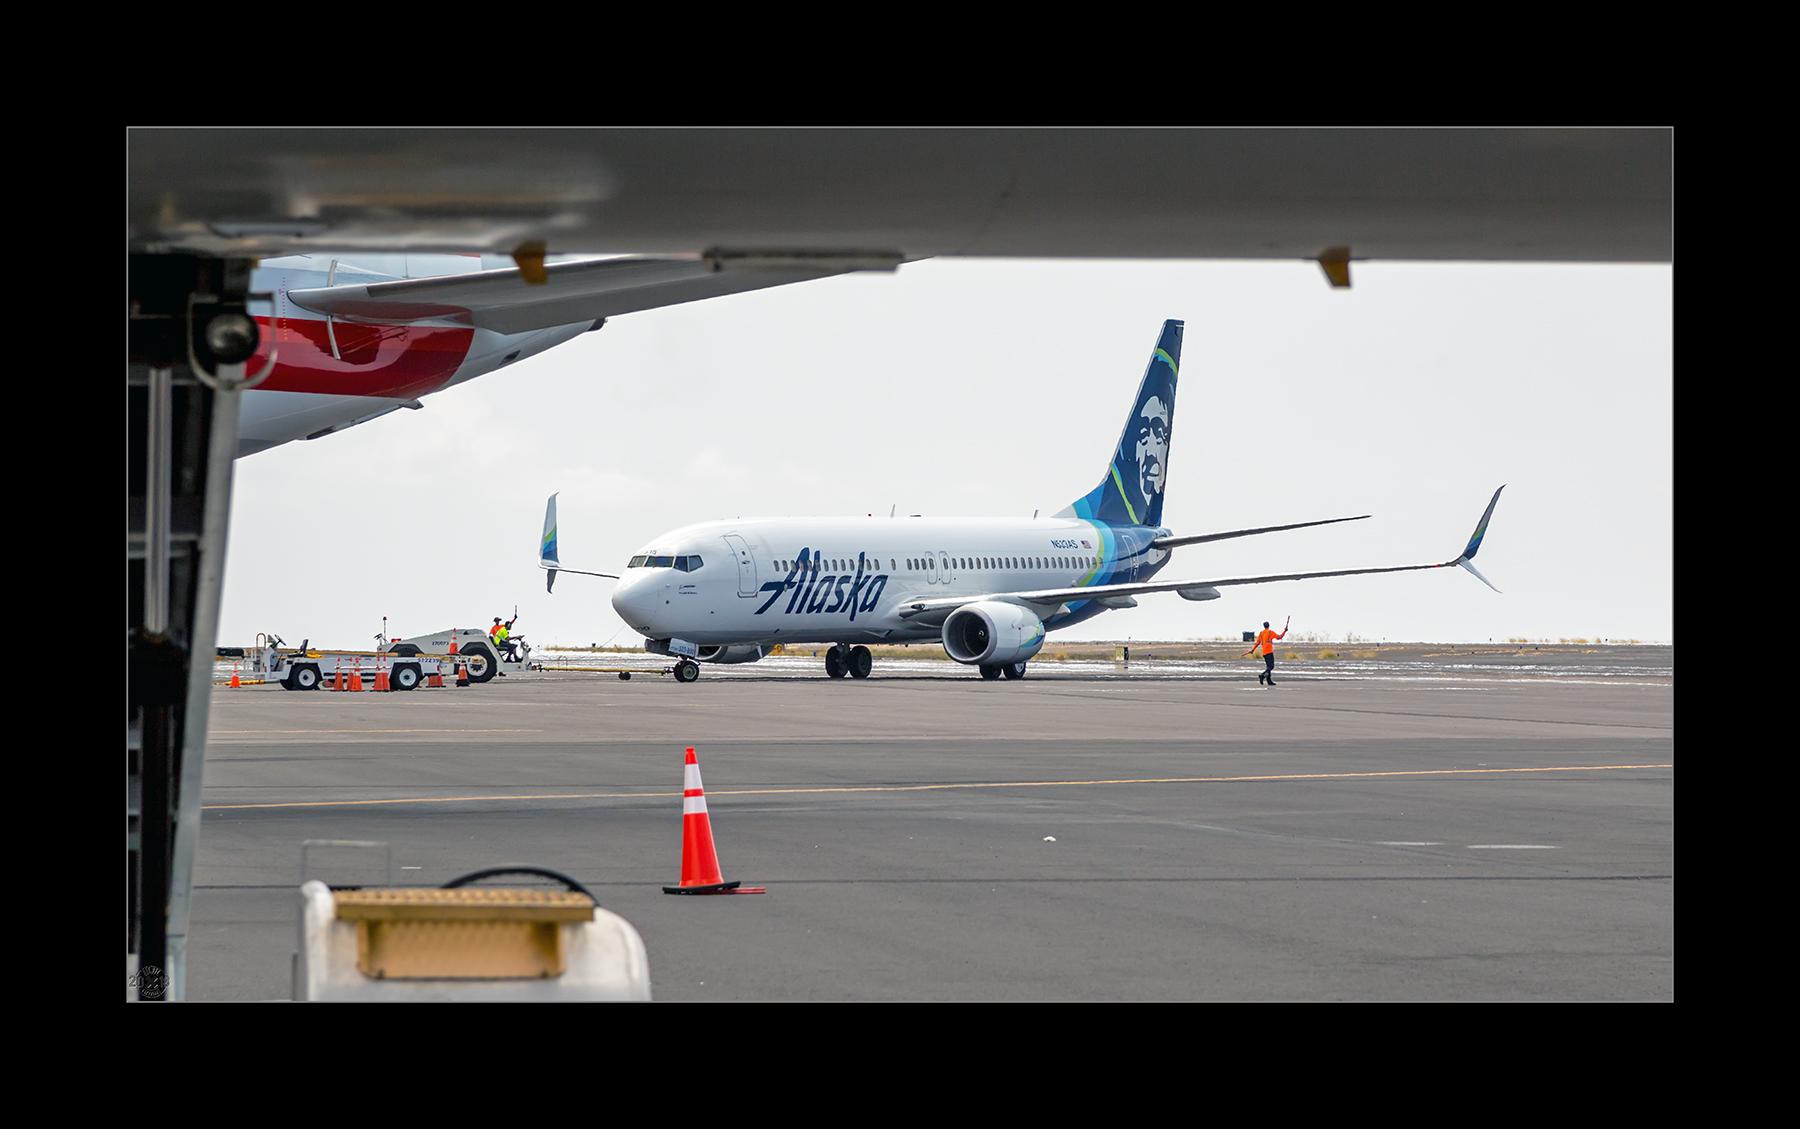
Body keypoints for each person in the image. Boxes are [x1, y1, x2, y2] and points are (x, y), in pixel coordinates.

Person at [1242, 617, 1289, 686]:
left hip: (1264, 652)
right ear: (1269, 626)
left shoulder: (1261, 633)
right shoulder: (1271, 632)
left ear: (1264, 626)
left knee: (1268, 666)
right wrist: (1284, 631)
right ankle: (1263, 675)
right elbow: (1280, 637)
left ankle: (1269, 681)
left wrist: (1253, 650)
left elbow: (1257, 643)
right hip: (1269, 652)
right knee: (1271, 666)